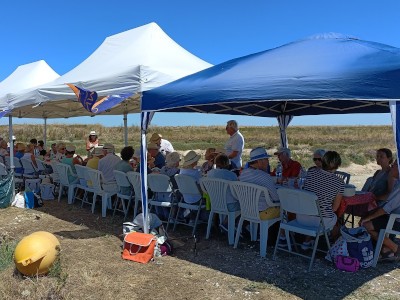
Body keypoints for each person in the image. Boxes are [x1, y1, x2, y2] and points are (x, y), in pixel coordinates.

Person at [299, 151, 344, 248]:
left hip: (302, 217)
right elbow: (335, 208)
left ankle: (306, 242)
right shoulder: (339, 182)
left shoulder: (311, 172)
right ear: (338, 164)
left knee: (314, 209)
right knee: (336, 220)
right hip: (321, 221)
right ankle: (338, 247)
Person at [360, 160, 400, 261]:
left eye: (394, 165)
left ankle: (395, 248)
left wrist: (368, 218)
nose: (391, 167)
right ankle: (385, 250)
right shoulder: (398, 182)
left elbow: (387, 208)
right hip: (393, 216)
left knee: (366, 224)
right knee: (369, 216)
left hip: (396, 220)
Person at [239, 147, 280, 221]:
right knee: (285, 209)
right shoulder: (264, 176)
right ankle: (283, 232)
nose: (268, 162)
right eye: (266, 160)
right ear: (260, 161)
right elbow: (276, 198)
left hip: (247, 210)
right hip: (262, 212)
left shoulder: (243, 174)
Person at [207, 153, 240, 217]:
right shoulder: (231, 175)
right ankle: (227, 223)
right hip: (229, 205)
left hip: (215, 203)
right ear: (227, 163)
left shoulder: (210, 173)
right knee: (245, 207)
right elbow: (237, 190)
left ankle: (221, 221)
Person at [156, 152, 181, 220]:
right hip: (171, 197)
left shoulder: (162, 169)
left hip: (160, 196)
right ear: (176, 162)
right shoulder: (178, 172)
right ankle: (174, 216)